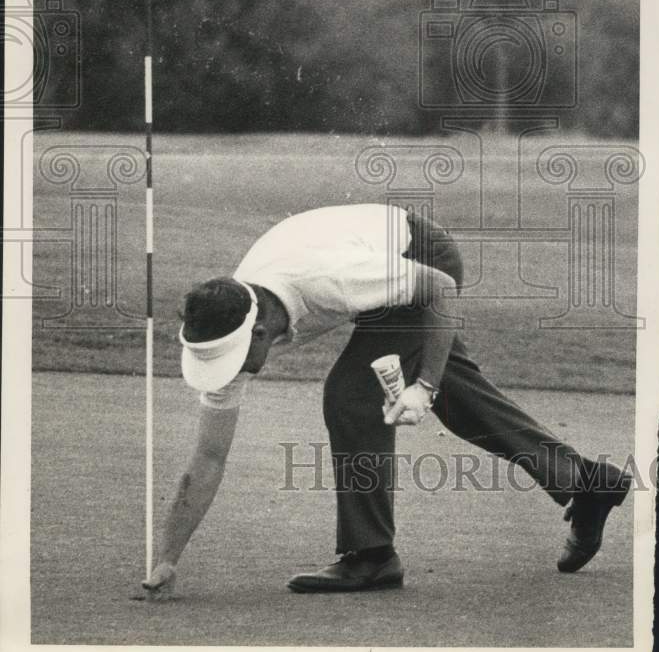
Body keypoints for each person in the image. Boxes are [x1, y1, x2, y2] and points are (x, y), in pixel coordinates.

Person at [141, 203, 631, 598]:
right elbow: (208, 457)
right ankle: (585, 481)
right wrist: (166, 558)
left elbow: (438, 291)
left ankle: (371, 556)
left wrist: (425, 387)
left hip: (422, 254)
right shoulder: (233, 321)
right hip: (371, 262)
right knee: (463, 402)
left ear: (262, 331)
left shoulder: (331, 280)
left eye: (231, 359)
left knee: (351, 398)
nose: (227, 373)